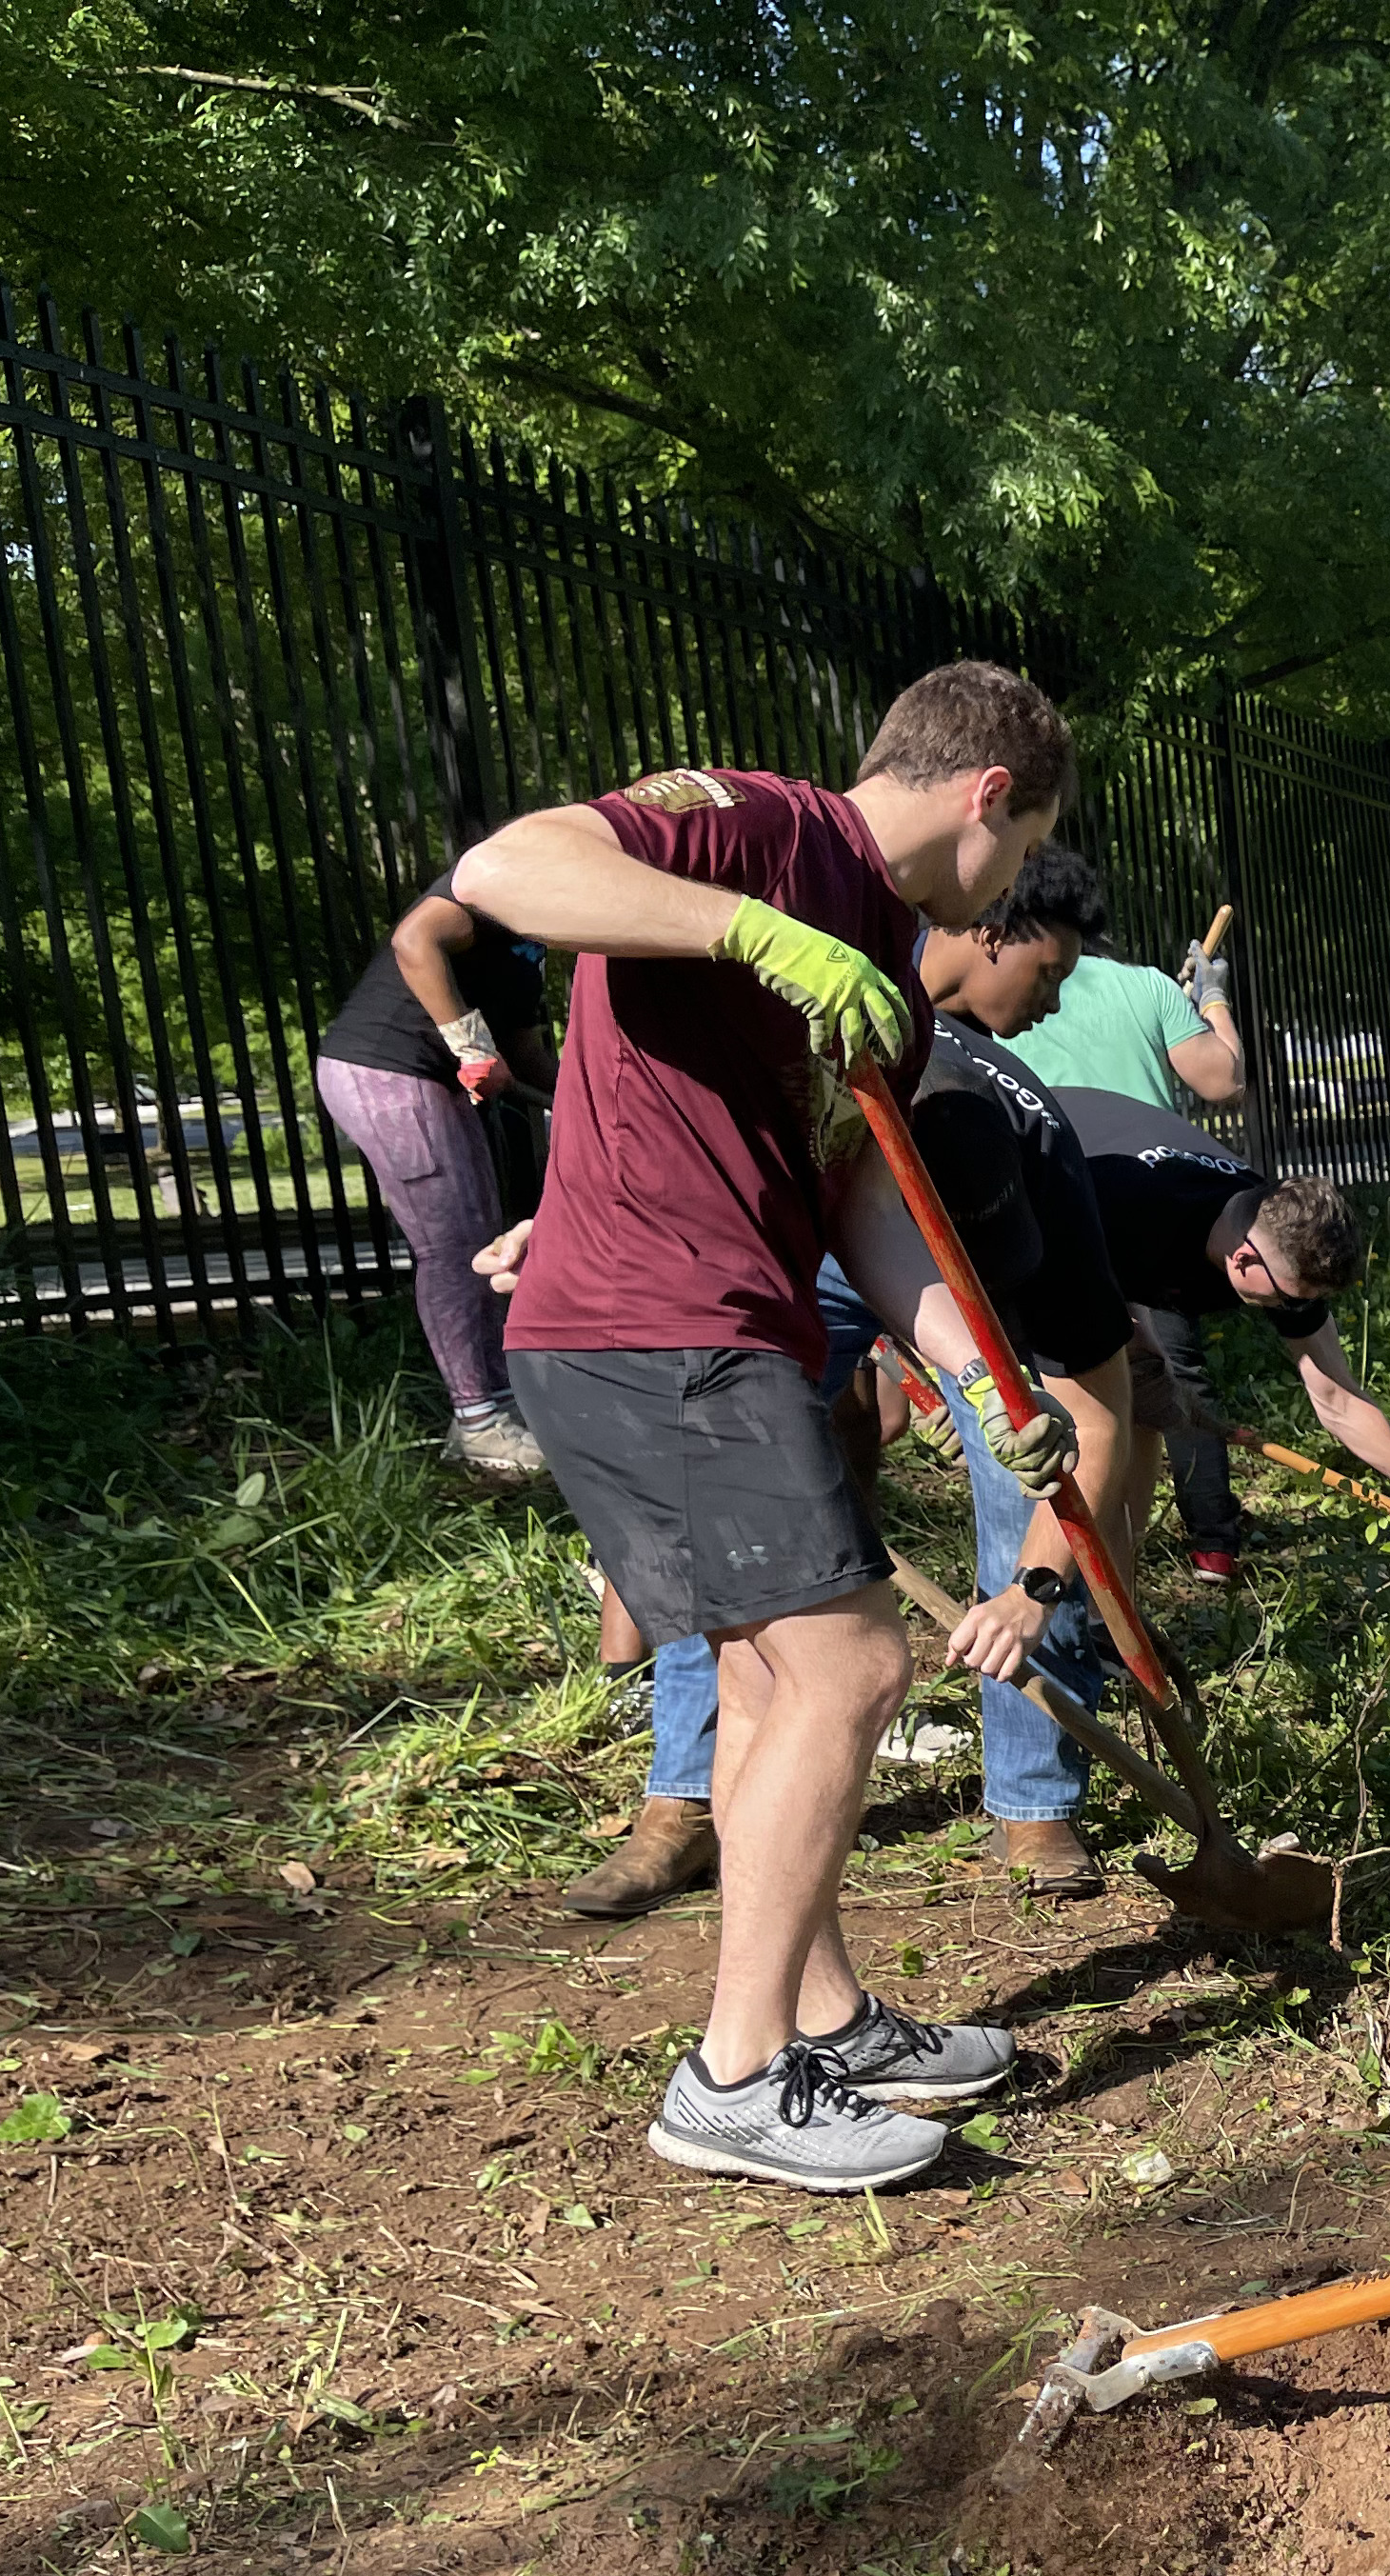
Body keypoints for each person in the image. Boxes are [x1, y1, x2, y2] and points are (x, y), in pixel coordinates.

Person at [452, 662, 1085, 2197]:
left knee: (766, 1680)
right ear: (987, 798)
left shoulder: (886, 973)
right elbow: (504, 870)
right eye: (1024, 848)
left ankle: (828, 2016)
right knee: (855, 1662)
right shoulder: (756, 830)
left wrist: (982, 1381)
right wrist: (753, 927)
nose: (1007, 889)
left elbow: (865, 1204)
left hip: (720, 1327)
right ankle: (735, 2078)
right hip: (650, 1325)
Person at [576, 842, 1140, 1912]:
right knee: (734, 1493)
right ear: (989, 929)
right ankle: (683, 1802)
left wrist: (1033, 1589)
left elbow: (1095, 1419)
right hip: (803, 1246)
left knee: (1030, 1478)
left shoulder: (1040, 1163)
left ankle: (1034, 1802)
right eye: (1050, 972)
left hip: (973, 1291)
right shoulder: (817, 1007)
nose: (1053, 1001)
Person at [1062, 1087, 1390, 1552]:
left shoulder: (1276, 1231)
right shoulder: (1136, 1209)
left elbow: (1338, 1399)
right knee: (1089, 1427)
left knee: (1142, 1406)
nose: (1293, 1309)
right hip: (1017, 1185)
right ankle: (1057, 1606)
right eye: (1289, 1299)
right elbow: (1040, 1289)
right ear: (1244, 1261)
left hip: (1100, 1237)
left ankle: (1115, 1604)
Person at [1005, 894, 1260, 1578]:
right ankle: (1211, 1542)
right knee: (1170, 1388)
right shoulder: (1145, 985)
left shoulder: (1000, 978)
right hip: (1151, 1214)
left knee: (1069, 1407)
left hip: (1044, 1215)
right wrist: (1210, 1001)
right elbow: (1223, 1078)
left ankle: (1093, 1574)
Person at [312, 881, 560, 1473]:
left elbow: (524, 1051)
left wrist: (601, 1102)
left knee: (481, 1240)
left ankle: (493, 1411)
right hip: (387, 1072)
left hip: (430, 1080)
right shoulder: (498, 881)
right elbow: (414, 937)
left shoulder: (535, 935)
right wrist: (472, 1049)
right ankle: (481, 1424)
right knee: (453, 1245)